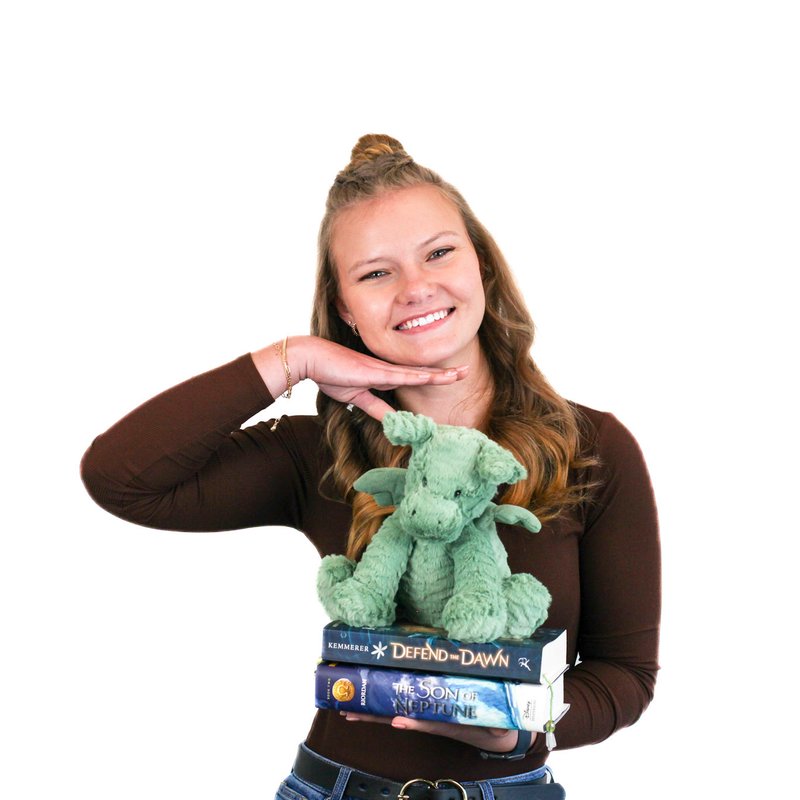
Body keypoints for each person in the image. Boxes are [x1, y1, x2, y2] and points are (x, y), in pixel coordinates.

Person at [81, 134, 660, 797]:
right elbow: (121, 477)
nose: (416, 288)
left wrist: (521, 725)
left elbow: (624, 676)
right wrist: (293, 359)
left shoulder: (593, 445)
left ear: (483, 268)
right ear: (347, 310)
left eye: (439, 253)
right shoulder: (317, 453)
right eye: (375, 273)